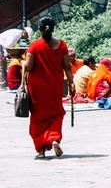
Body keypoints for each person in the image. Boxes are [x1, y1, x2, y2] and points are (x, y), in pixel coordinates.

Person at [24, 16, 74, 158]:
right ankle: (54, 139)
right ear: (52, 29)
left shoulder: (35, 46)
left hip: (38, 89)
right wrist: (71, 83)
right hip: (55, 87)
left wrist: (23, 61)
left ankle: (41, 150)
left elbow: (29, 66)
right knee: (56, 114)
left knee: (38, 118)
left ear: (39, 29)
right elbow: (67, 67)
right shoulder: (62, 45)